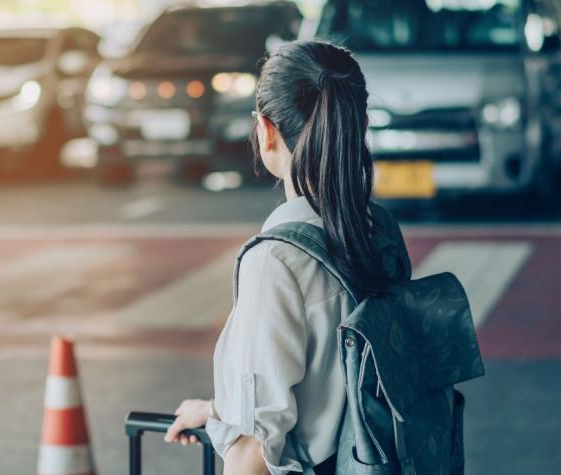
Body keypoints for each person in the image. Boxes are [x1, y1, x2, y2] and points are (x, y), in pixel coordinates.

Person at [164, 40, 412, 474]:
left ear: (266, 130)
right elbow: (338, 388)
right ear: (362, 127)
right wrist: (218, 410)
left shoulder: (277, 262)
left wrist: (241, 427)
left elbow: (253, 453)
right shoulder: (380, 231)